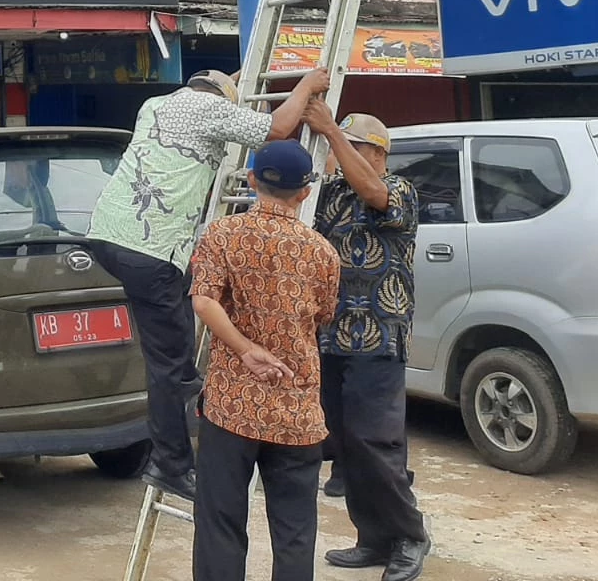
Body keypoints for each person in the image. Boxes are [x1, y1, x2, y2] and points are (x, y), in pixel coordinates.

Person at [86, 66, 330, 500]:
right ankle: (170, 464)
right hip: (150, 249)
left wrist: (235, 79)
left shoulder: (157, 104)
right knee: (169, 368)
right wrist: (306, 86)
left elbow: (216, 88)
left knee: (173, 348)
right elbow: (277, 127)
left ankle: (185, 379)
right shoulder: (212, 109)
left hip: (109, 236)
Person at [190, 139, 341, 581]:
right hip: (296, 409)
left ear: (252, 180)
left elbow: (203, 303)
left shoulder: (222, 234)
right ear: (305, 192)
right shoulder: (322, 253)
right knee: (295, 532)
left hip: (230, 406)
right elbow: (323, 318)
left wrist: (244, 349)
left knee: (220, 523)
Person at [306, 102, 431, 581]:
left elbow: (375, 194)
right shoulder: (332, 193)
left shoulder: (397, 188)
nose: (341, 155)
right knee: (345, 445)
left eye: (353, 146)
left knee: (375, 441)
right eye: (339, 146)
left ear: (378, 153)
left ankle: (409, 535)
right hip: (330, 335)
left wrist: (329, 133)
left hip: (377, 335)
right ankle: (372, 537)